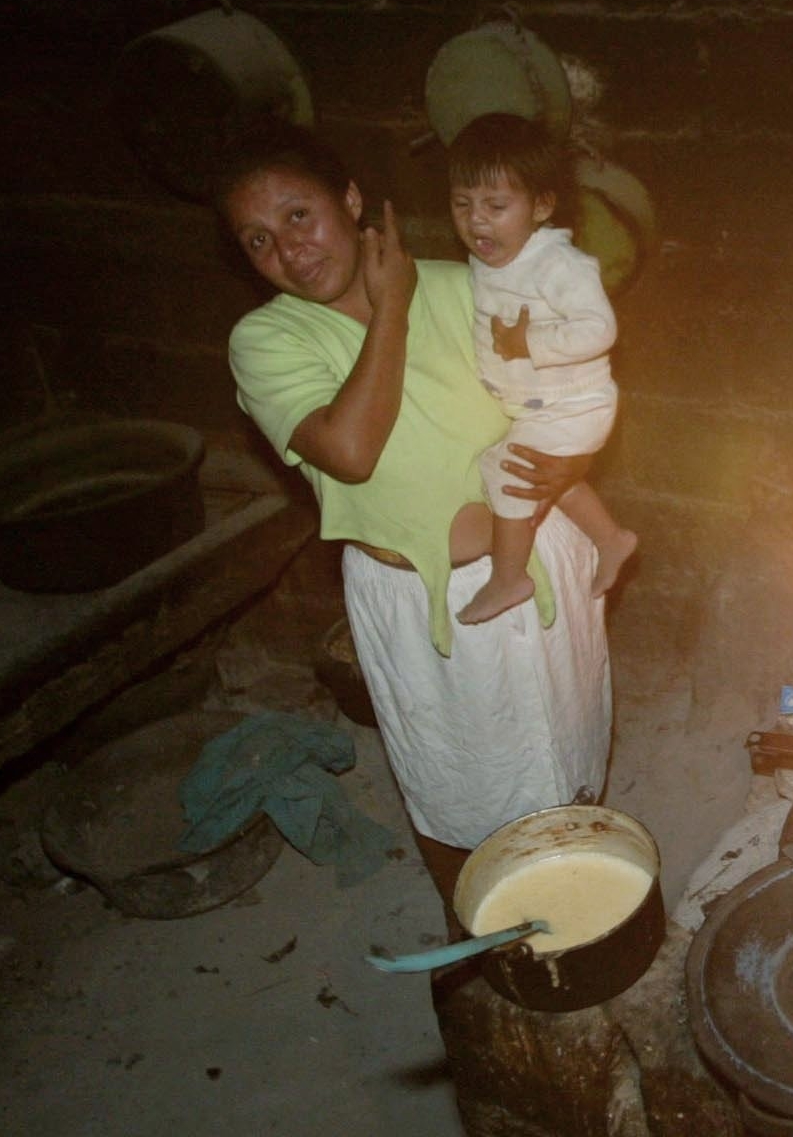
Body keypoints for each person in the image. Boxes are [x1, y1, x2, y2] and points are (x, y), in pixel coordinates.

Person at [214, 118, 611, 904]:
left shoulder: (470, 288)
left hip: (533, 559)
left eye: (300, 215)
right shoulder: (264, 340)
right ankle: (479, 937)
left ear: (353, 200)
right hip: (418, 605)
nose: (289, 251)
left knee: (564, 748)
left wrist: (598, 519)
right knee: (452, 786)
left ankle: (586, 904)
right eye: (258, 241)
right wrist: (392, 305)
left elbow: (559, 410)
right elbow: (352, 449)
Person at [446, 113, 637, 625]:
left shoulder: (558, 264)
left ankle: (509, 578)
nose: (477, 221)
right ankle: (611, 538)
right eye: (462, 204)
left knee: (505, 471)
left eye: (496, 206)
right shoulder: (490, 259)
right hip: (540, 404)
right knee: (542, 474)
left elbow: (599, 328)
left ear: (541, 206)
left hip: (575, 402)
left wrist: (529, 341)